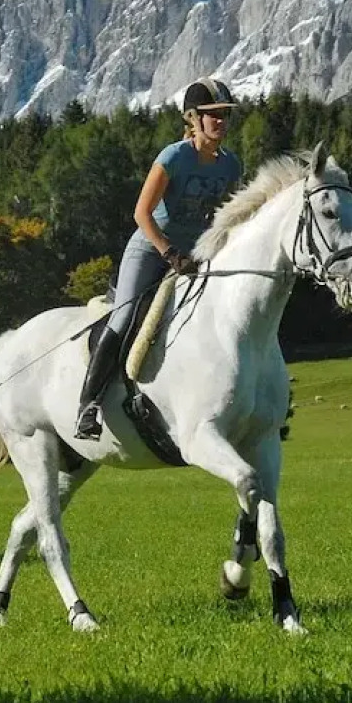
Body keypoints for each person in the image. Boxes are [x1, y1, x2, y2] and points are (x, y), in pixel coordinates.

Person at [75, 77, 243, 440]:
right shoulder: (173, 157)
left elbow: (225, 218)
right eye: (213, 115)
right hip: (152, 250)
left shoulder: (231, 166)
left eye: (225, 115)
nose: (221, 122)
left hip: (195, 255)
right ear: (193, 118)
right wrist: (169, 252)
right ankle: (88, 406)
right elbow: (141, 213)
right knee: (123, 319)